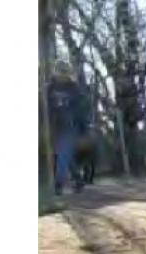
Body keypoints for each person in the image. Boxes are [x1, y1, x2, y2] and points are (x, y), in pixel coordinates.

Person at [47, 60, 89, 194]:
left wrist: (84, 129)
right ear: (55, 72)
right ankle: (78, 179)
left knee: (63, 153)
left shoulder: (74, 89)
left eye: (65, 72)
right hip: (54, 126)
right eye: (60, 72)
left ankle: (58, 184)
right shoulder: (49, 88)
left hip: (70, 125)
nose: (62, 75)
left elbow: (81, 110)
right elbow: (44, 107)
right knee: (63, 154)